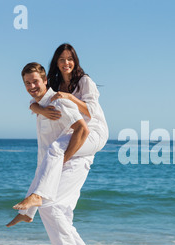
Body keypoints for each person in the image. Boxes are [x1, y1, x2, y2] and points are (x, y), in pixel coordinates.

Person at [8, 62, 95, 245]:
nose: (32, 86)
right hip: (58, 163)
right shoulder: (39, 104)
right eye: (27, 83)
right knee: (62, 212)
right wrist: (38, 108)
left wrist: (63, 160)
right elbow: (32, 103)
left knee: (50, 206)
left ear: (46, 80)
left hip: (73, 162)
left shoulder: (59, 103)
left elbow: (83, 130)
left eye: (35, 81)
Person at [8, 43, 108, 221]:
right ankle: (26, 213)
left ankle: (39, 195)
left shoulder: (84, 81)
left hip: (94, 132)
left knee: (56, 149)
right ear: (56, 62)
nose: (66, 63)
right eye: (62, 60)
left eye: (70, 59)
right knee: (45, 157)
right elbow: (37, 100)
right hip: (74, 131)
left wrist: (69, 96)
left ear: (75, 61)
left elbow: (91, 111)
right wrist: (40, 110)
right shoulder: (55, 82)